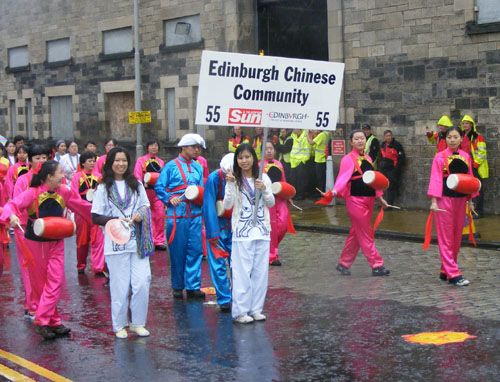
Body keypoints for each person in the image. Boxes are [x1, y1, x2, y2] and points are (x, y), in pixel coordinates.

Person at [1, 160, 92, 339]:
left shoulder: (64, 192)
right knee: (42, 285)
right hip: (35, 243)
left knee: (55, 281)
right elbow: (12, 205)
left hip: (56, 241)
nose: (63, 176)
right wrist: (11, 215)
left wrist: (104, 217)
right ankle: (54, 320)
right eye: (60, 173)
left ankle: (42, 320)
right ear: (49, 177)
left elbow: (84, 207)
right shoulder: (32, 193)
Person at [91, 147, 153, 339]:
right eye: (117, 160)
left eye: (124, 160)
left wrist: (139, 214)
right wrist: (114, 220)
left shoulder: (136, 185)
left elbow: (146, 205)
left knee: (142, 282)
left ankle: (137, 323)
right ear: (110, 163)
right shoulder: (103, 188)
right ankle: (119, 325)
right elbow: (95, 216)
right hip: (115, 243)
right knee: (120, 286)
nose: (120, 164)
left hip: (137, 241)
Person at [322, 129, 390, 277]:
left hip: (369, 199)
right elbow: (342, 179)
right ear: (351, 142)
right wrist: (333, 192)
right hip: (355, 200)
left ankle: (344, 263)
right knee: (365, 233)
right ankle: (376, 264)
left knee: (356, 233)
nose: (360, 141)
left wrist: (380, 198)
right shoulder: (348, 159)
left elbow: (374, 180)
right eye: (357, 139)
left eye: (362, 138)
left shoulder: (368, 159)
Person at [223, 143, 275, 323]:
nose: (244, 161)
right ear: (237, 161)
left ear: (254, 158)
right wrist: (229, 186)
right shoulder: (234, 181)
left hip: (261, 231)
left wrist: (265, 189)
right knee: (242, 272)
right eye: (240, 158)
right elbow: (227, 206)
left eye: (247, 157)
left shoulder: (264, 178)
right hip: (242, 232)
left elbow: (271, 203)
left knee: (260, 272)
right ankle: (240, 311)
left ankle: (256, 309)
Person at [155, 133, 206, 299]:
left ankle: (193, 286)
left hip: (195, 214)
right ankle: (177, 286)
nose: (197, 150)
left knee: (196, 250)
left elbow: (201, 190)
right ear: (183, 147)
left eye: (199, 148)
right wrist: (170, 199)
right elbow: (159, 187)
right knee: (177, 251)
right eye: (194, 147)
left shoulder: (199, 167)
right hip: (177, 215)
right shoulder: (170, 166)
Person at [427, 126, 475, 286]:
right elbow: (435, 179)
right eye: (449, 137)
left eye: (455, 137)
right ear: (445, 139)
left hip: (461, 200)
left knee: (456, 236)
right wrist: (434, 201)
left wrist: (470, 200)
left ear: (461, 139)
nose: (452, 140)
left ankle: (445, 270)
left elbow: (470, 179)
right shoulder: (439, 157)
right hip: (444, 200)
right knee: (446, 237)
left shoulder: (466, 156)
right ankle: (454, 273)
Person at [12, 144, 50, 320]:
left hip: (48, 228)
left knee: (47, 268)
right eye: (37, 158)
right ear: (30, 161)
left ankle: (45, 304)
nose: (41, 161)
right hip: (25, 227)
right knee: (29, 266)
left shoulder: (53, 179)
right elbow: (16, 203)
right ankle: (33, 305)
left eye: (44, 157)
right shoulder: (23, 180)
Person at [202, 153, 234, 312]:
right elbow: (208, 205)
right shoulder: (214, 178)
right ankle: (224, 299)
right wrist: (212, 233)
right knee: (218, 265)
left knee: (238, 264)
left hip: (236, 228)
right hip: (219, 229)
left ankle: (238, 295)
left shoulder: (242, 176)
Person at [71, 151, 105, 275]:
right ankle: (81, 264)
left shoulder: (99, 176)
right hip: (82, 213)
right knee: (82, 240)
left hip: (96, 212)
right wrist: (83, 207)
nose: (92, 163)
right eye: (89, 161)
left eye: (93, 161)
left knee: (98, 239)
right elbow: (74, 195)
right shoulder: (77, 177)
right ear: (83, 163)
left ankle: (98, 267)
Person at [262, 141, 291, 266]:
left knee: (283, 224)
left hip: (280, 198)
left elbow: (283, 180)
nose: (269, 151)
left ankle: (271, 247)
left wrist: (288, 195)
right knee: (272, 225)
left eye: (271, 148)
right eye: (266, 149)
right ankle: (272, 255)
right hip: (267, 199)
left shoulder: (279, 164)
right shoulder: (259, 166)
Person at [133, 139, 166, 250]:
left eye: (156, 145)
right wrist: (142, 184)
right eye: (151, 145)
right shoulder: (141, 160)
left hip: (157, 192)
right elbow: (137, 175)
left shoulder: (161, 162)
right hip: (145, 192)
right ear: (147, 147)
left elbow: (163, 177)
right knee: (146, 215)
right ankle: (147, 240)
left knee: (160, 215)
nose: (154, 147)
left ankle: (159, 241)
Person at [460, 115, 488, 218]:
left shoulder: (477, 136)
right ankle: (467, 210)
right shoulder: (461, 135)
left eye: (466, 123)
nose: (464, 125)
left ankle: (479, 211)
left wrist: (476, 163)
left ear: (471, 124)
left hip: (474, 166)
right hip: (464, 165)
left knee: (478, 189)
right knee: (465, 188)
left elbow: (482, 152)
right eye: (463, 123)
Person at [379, 130, 405, 206]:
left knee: (391, 187)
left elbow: (401, 158)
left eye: (389, 135)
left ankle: (389, 205)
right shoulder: (383, 145)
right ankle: (384, 203)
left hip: (392, 170)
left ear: (392, 136)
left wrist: (396, 169)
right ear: (384, 137)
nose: (388, 137)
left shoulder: (397, 145)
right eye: (386, 136)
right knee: (384, 187)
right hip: (384, 169)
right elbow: (381, 156)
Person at [289, 129, 310, 200]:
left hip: (300, 162)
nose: (293, 130)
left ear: (299, 129)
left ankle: (301, 195)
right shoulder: (294, 136)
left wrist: (303, 161)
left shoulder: (304, 138)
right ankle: (295, 194)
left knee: (301, 180)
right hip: (293, 161)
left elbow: (307, 151)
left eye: (295, 128)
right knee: (293, 180)